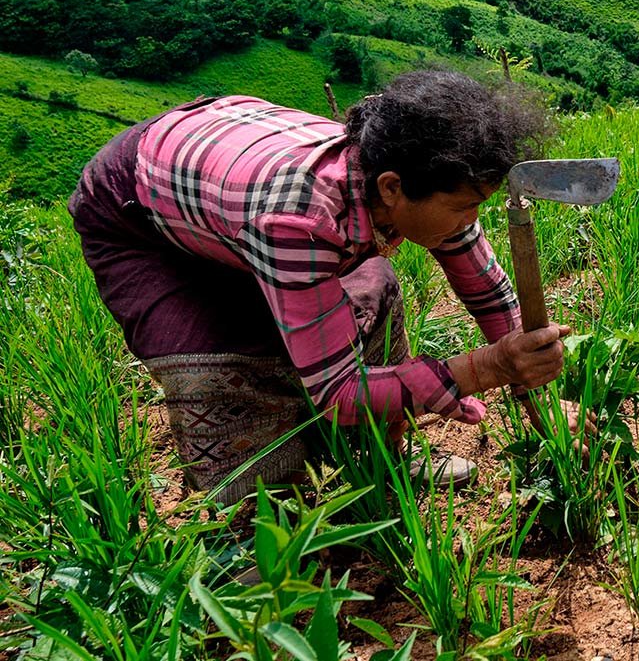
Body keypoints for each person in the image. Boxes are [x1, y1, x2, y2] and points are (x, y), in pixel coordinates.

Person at [68, 70, 571, 506]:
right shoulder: (300, 219)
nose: (471, 219)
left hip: (227, 173)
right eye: (464, 206)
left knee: (374, 287)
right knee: (218, 364)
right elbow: (338, 391)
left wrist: (534, 388)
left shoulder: (429, 173)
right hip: (137, 213)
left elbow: (484, 287)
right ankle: (253, 519)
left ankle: (383, 456)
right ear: (392, 188)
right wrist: (490, 366)